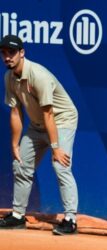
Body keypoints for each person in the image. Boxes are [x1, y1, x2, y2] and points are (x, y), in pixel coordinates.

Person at [0, 34, 79, 235]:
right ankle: (18, 216)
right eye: (4, 53)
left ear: (22, 53)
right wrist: (15, 144)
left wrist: (55, 148)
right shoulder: (9, 77)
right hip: (37, 126)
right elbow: (16, 112)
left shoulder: (39, 76)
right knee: (20, 164)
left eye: (12, 52)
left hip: (61, 121)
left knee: (60, 164)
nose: (7, 57)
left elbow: (49, 113)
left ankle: (70, 219)